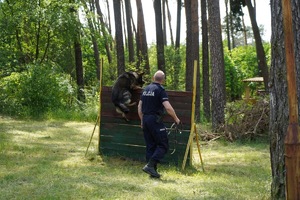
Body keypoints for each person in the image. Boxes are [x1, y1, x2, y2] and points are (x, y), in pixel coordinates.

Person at [138, 70, 180, 178]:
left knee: (150, 146)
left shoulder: (146, 89)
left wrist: (142, 120)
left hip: (146, 119)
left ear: (153, 78)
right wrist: (176, 118)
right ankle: (150, 166)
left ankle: (153, 172)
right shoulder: (160, 90)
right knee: (163, 145)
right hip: (155, 120)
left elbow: (139, 107)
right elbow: (168, 107)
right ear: (163, 80)